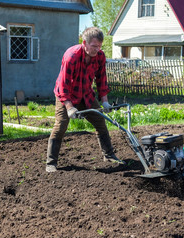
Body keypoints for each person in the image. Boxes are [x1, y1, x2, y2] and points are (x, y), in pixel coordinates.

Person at [46, 27, 125, 172]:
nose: (97, 49)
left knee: (99, 120)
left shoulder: (100, 56)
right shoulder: (72, 56)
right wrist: (69, 108)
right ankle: (51, 162)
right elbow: (63, 85)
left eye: (99, 46)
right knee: (61, 124)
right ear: (84, 43)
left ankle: (109, 155)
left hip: (85, 94)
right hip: (67, 94)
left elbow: (101, 80)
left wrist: (104, 100)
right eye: (94, 46)